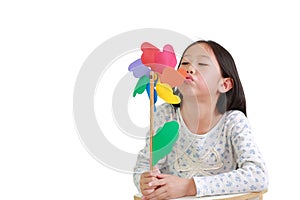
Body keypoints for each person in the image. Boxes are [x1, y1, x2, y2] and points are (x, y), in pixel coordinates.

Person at [133, 40, 269, 200]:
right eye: (184, 63)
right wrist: (145, 180)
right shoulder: (166, 115)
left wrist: (189, 186)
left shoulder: (233, 121)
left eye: (202, 64)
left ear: (224, 84)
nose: (189, 68)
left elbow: (258, 175)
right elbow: (144, 165)